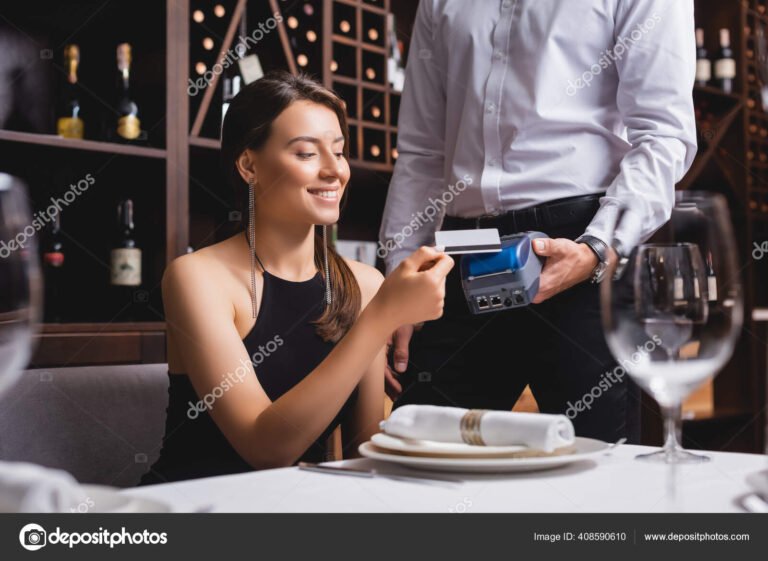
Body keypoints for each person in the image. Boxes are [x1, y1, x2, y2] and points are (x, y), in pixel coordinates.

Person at [379, 0, 698, 443]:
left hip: (582, 254)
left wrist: (596, 249)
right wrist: (399, 278)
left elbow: (663, 134)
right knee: (412, 457)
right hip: (462, 257)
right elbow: (422, 152)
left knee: (595, 479)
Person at [140, 72, 453, 484]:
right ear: (249, 165)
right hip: (194, 511)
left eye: (338, 152)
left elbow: (361, 456)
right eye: (307, 153)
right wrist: (383, 317)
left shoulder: (366, 284)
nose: (334, 171)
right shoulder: (196, 278)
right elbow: (265, 448)